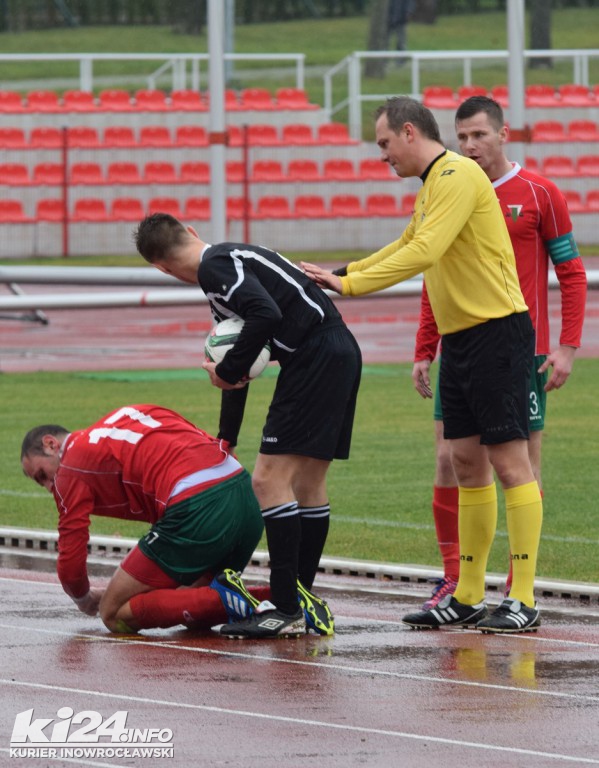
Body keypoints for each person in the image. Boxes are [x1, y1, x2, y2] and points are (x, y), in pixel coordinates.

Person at [302, 95, 543, 634]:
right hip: (461, 340)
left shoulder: (456, 175)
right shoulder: (434, 183)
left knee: (510, 462)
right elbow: (408, 242)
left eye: (385, 143)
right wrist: (343, 272)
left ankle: (523, 598)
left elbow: (424, 252)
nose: (383, 154)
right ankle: (468, 595)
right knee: (465, 462)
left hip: (498, 333)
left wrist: (350, 286)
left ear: (409, 132)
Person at [134, 217, 362, 639]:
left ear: (162, 269)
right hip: (338, 350)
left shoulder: (215, 267)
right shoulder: (231, 260)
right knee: (309, 483)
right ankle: (300, 599)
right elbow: (245, 352)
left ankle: (286, 607)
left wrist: (228, 370)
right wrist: (227, 436)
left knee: (267, 480)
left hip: (315, 358)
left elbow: (264, 316)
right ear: (191, 230)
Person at [412, 96, 587, 611]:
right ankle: (456, 583)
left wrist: (567, 347)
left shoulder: (540, 193)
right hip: (461, 348)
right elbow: (433, 271)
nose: (470, 146)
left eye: (479, 135)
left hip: (520, 351)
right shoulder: (445, 189)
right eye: (462, 137)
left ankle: (517, 589)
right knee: (451, 459)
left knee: (521, 464)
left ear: (503, 134)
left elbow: (572, 273)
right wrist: (425, 347)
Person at [20, 404, 273, 634]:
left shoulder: (70, 467)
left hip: (197, 504)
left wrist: (82, 597)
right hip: (245, 495)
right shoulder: (128, 416)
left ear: (51, 444)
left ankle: (233, 599)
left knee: (112, 613)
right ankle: (278, 600)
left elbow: (71, 557)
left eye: (42, 475)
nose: (48, 486)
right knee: (193, 609)